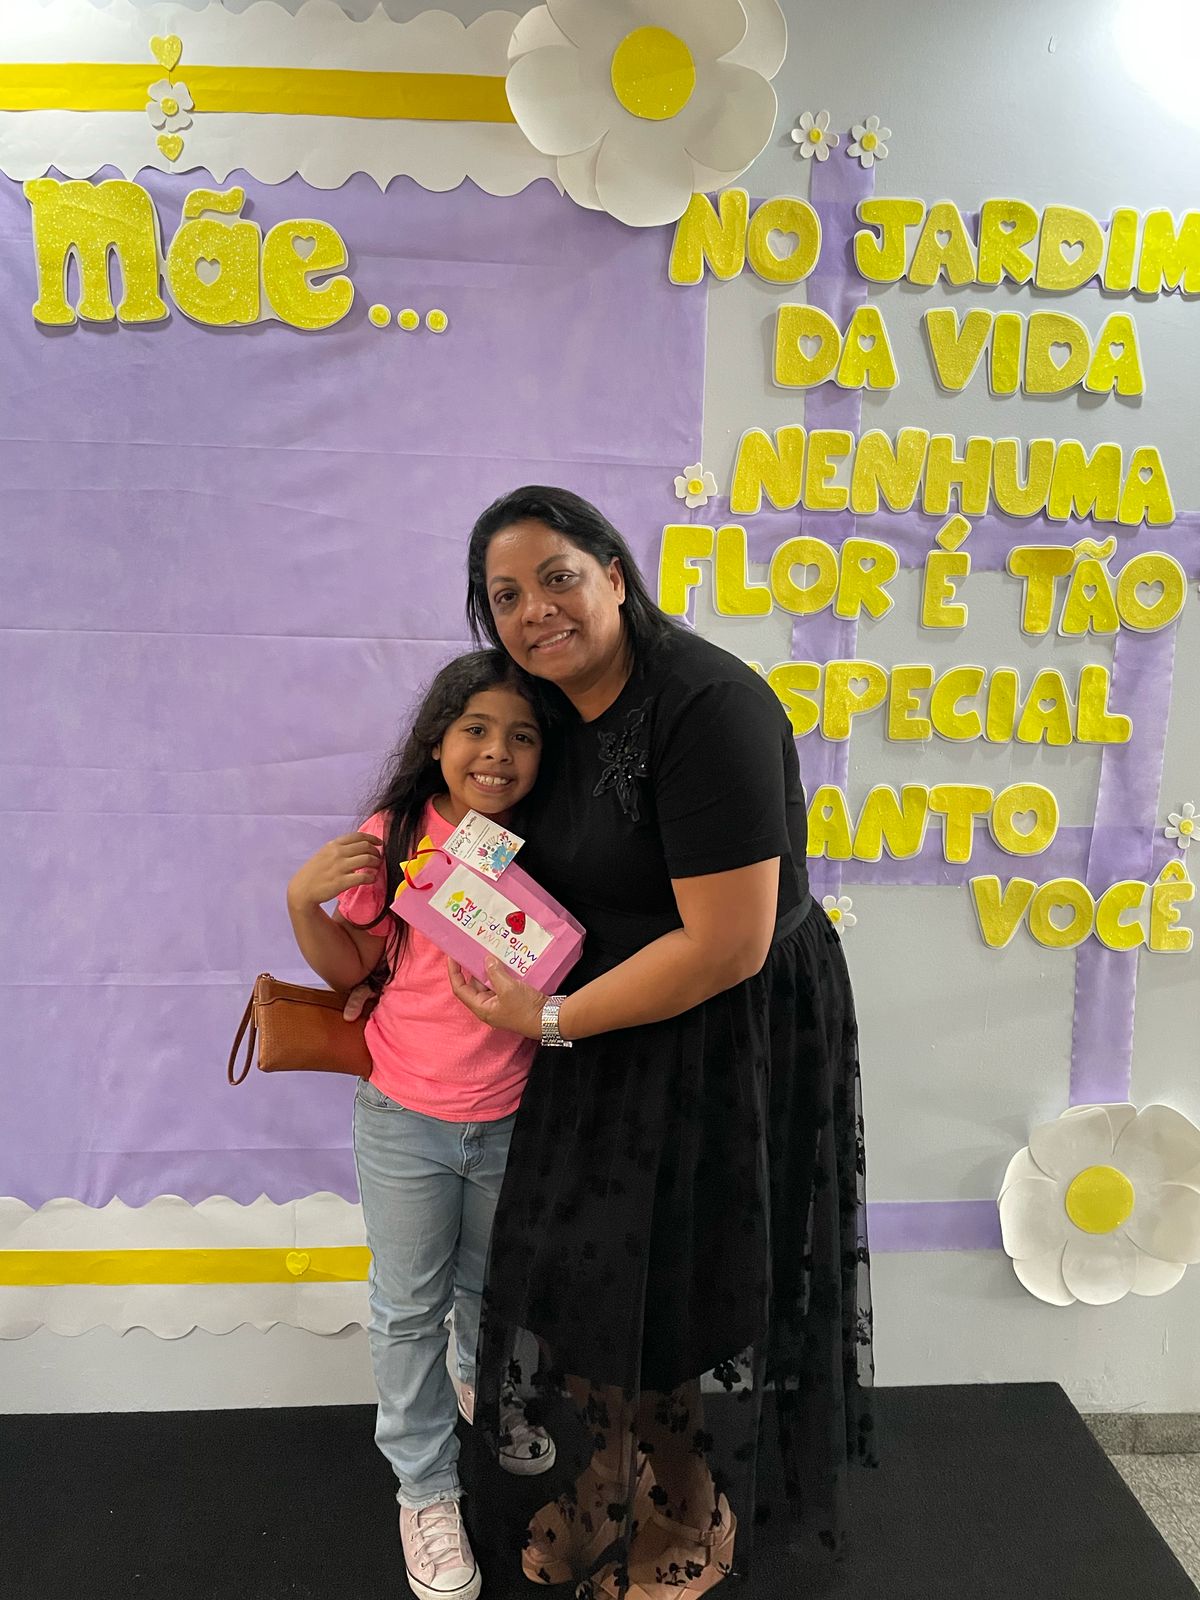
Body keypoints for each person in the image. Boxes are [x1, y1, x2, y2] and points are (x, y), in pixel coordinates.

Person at [448, 488, 875, 1600]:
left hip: (719, 1029)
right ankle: (614, 1476)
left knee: (675, 1284)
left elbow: (728, 944)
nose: (535, 610)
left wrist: (551, 1019)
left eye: (556, 577)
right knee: (590, 1280)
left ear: (614, 573)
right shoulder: (543, 708)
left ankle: (687, 1504)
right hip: (601, 1022)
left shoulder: (707, 705)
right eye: (506, 595)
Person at [286, 650, 557, 1600]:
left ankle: (486, 1396)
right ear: (437, 741)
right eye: (476, 729)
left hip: (514, 1116)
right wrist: (301, 899)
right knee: (408, 1309)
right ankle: (426, 1491)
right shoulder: (399, 835)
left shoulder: (550, 839)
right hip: (405, 1117)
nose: (497, 753)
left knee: (494, 1291)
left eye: (523, 736)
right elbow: (348, 966)